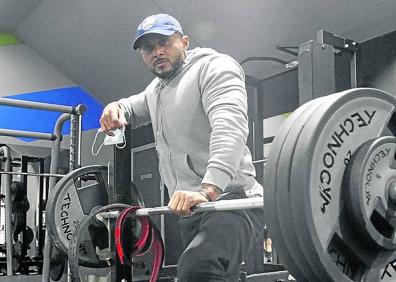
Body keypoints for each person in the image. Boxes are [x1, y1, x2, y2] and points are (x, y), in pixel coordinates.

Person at [100, 13, 264, 282]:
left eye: (164, 42)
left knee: (197, 270)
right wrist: (115, 106)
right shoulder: (156, 90)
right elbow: (132, 106)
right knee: (215, 274)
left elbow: (230, 128)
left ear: (184, 42)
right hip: (192, 210)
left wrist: (208, 189)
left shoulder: (215, 68)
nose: (157, 52)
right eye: (148, 48)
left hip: (232, 202)